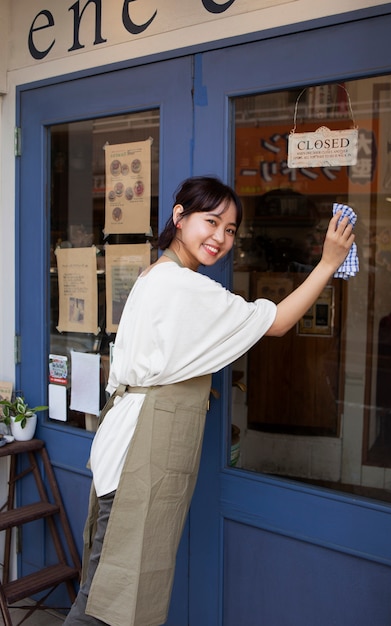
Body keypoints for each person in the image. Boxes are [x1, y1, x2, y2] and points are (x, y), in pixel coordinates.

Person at [64, 176, 355, 626]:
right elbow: (275, 323)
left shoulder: (155, 272)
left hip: (124, 447)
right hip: (139, 453)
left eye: (231, 229)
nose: (220, 237)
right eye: (211, 221)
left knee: (105, 591)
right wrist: (327, 263)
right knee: (106, 608)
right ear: (179, 217)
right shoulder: (184, 286)